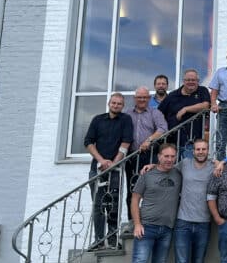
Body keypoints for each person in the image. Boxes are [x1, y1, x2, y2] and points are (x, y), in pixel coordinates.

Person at [120, 143, 181, 263]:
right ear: (159, 156)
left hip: (167, 229)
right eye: (166, 156)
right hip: (146, 228)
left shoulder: (178, 173)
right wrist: (137, 224)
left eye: (172, 156)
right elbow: (134, 200)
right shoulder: (147, 175)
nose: (169, 159)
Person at [84, 92, 133, 250]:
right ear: (109, 104)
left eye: (119, 103)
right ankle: (99, 241)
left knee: (113, 205)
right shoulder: (97, 120)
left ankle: (112, 240)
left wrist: (114, 163)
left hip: (115, 170)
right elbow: (88, 142)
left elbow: (126, 143)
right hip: (97, 169)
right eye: (114, 103)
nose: (116, 105)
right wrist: (101, 161)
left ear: (123, 106)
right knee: (98, 206)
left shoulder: (126, 120)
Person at [172, 138, 214, 263]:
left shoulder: (213, 166)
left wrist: (221, 163)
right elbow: (166, 168)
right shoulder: (184, 164)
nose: (201, 152)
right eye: (198, 149)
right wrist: (151, 166)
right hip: (183, 222)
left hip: (204, 222)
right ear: (193, 150)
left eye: (204, 149)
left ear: (208, 150)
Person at [125, 86, 167, 219]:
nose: (142, 99)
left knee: (151, 190)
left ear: (149, 98)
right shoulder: (127, 113)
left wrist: (149, 140)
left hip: (149, 155)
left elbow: (163, 128)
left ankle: (150, 220)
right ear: (134, 98)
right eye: (139, 97)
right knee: (132, 189)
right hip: (131, 156)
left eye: (144, 97)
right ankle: (133, 221)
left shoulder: (155, 113)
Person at [159, 68, 211, 159]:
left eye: (193, 80)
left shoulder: (202, 91)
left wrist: (186, 109)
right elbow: (159, 114)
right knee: (172, 167)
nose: (191, 82)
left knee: (188, 167)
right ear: (183, 81)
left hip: (192, 142)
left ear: (198, 81)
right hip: (172, 142)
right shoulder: (172, 95)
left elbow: (206, 106)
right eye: (188, 80)